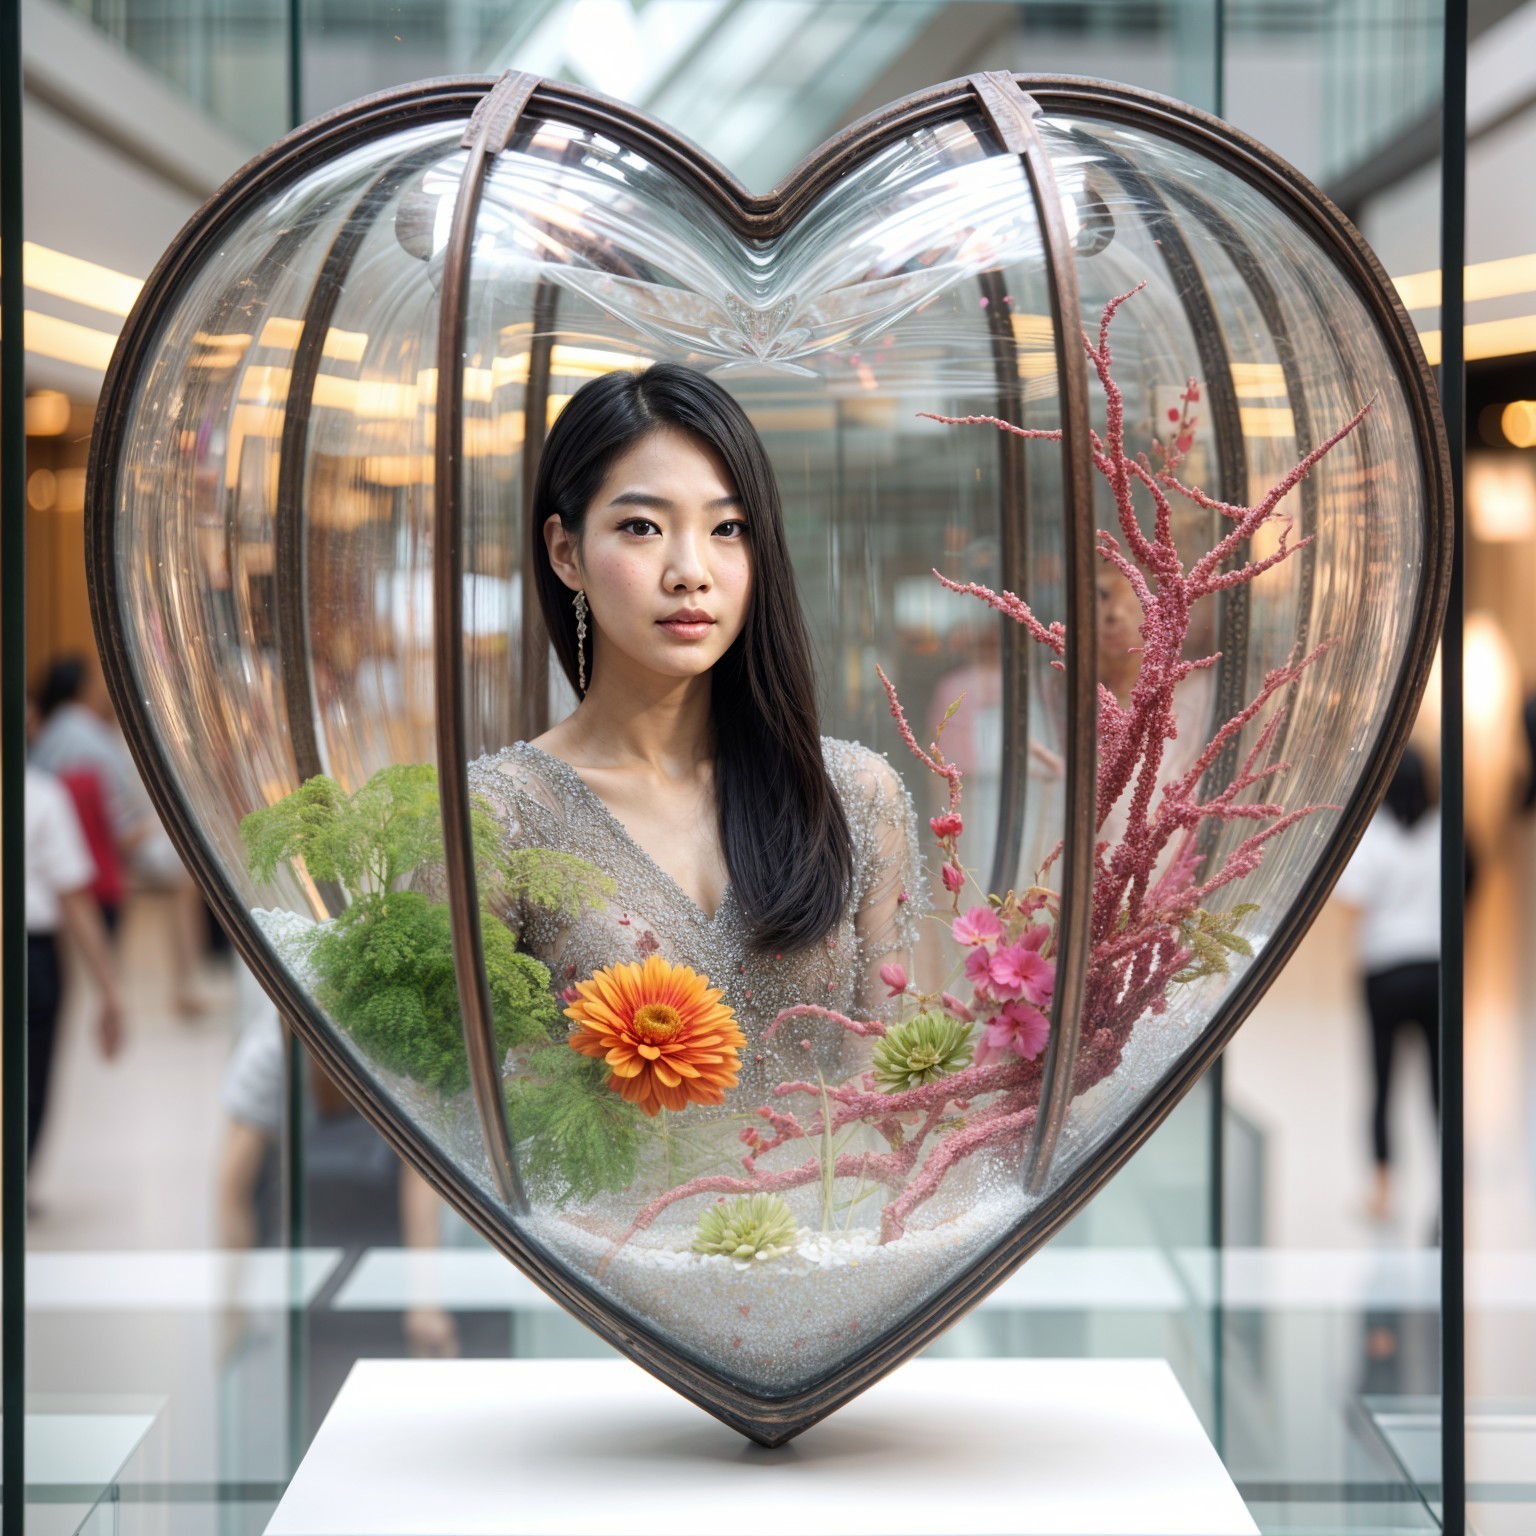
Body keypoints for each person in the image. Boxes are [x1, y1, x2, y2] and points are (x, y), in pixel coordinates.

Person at [466, 363, 926, 1098]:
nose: (691, 571)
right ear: (565, 552)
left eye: (727, 528)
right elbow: (458, 1113)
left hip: (832, 1208)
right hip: (585, 1215)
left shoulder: (853, 795)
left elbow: (895, 1077)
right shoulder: (496, 820)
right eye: (642, 527)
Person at [1331, 747, 1441, 1223]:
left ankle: (1382, 1191)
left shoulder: (1375, 836)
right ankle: (1447, 1187)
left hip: (1383, 969)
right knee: (1441, 1085)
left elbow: (1350, 897)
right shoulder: (1444, 830)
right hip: (1435, 969)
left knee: (1382, 1084)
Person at [24, 759, 124, 1173]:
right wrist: (109, 991)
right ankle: (14, 1184)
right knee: (28, 1079)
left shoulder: (42, 793)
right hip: (29, 957)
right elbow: (73, 897)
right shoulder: (40, 794)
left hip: (33, 955)